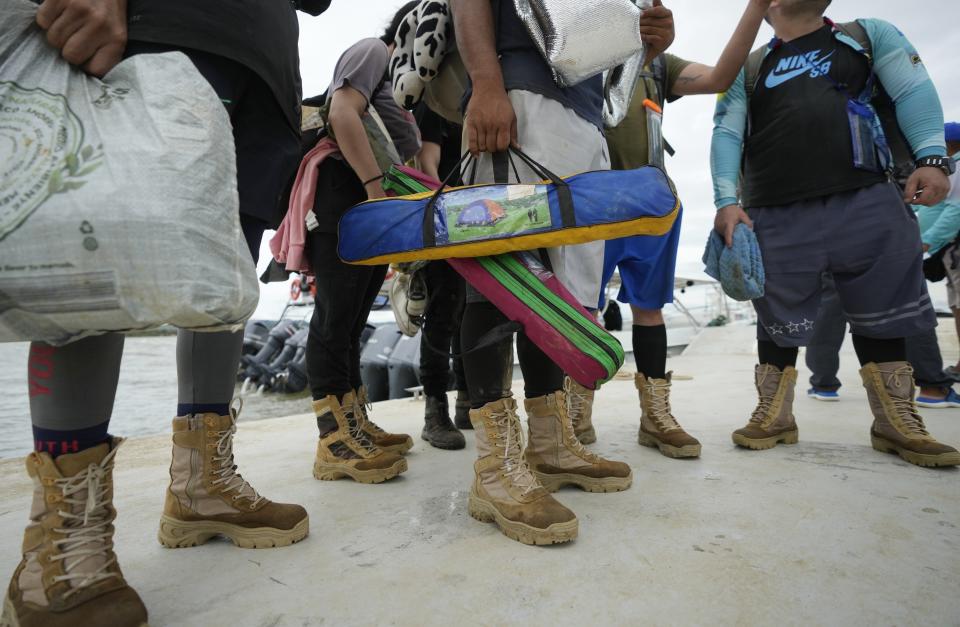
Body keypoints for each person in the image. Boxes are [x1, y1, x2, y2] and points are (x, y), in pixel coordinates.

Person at [8, 0, 329, 625]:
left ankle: (201, 485)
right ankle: (62, 537)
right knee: (98, 241)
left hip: (261, 72)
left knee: (221, 273)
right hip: (159, 30)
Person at [451, 0, 675, 545]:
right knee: (502, 278)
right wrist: (486, 83)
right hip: (519, 95)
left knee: (565, 291)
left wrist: (647, 43)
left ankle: (549, 446)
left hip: (586, 117)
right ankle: (494, 468)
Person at [711, 0, 960, 468]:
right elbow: (727, 131)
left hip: (869, 194)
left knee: (884, 311)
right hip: (774, 208)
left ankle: (897, 421)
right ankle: (775, 414)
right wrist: (727, 201)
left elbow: (913, 90)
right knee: (775, 313)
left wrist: (932, 156)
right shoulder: (751, 64)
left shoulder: (868, 36)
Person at [584, 0, 773, 460]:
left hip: (652, 201)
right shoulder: (579, 58)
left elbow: (721, 78)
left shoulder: (662, 67)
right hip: (587, 202)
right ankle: (574, 413)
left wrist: (758, 7)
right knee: (580, 311)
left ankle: (656, 417)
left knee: (650, 310)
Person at [307, 3, 422, 484]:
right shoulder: (374, 51)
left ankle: (355, 423)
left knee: (353, 320)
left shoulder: (406, 91)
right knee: (334, 316)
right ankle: (332, 440)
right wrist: (375, 190)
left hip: (372, 206)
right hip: (345, 197)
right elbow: (342, 112)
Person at [413, 102, 472, 449]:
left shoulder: (471, 101)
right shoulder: (435, 103)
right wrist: (444, 218)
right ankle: (435, 412)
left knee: (471, 312)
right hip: (446, 220)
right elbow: (427, 165)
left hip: (482, 219)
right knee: (442, 314)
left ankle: (468, 402)